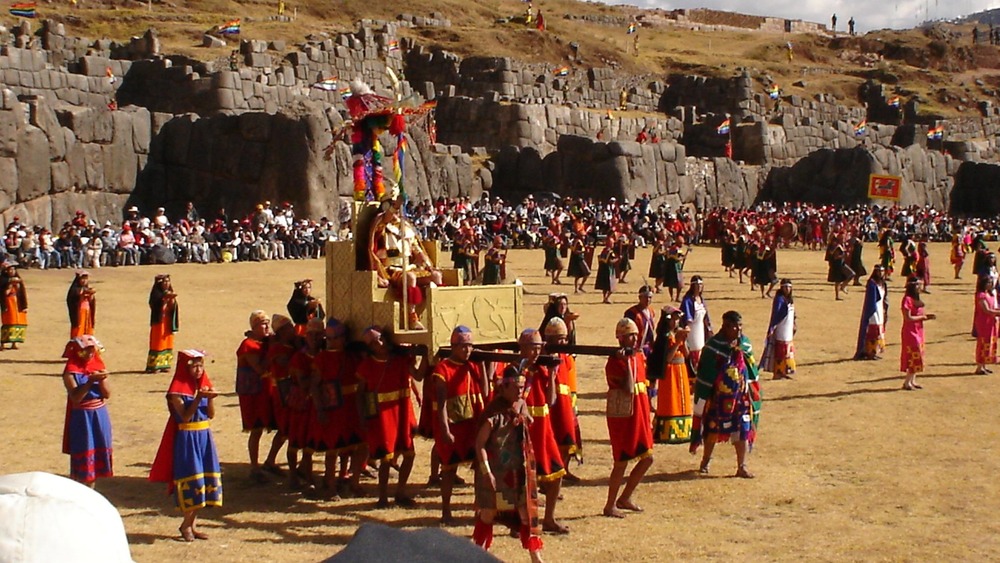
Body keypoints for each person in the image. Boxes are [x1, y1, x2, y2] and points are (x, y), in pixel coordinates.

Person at [472, 365, 544, 563]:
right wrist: (487, 472)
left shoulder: (521, 404)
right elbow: (480, 445)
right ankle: (476, 555)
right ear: (503, 388)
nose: (519, 391)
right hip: (495, 473)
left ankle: (536, 558)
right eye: (515, 387)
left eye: (521, 387)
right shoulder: (493, 413)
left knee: (526, 513)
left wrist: (523, 417)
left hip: (517, 474)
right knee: (488, 513)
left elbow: (527, 421)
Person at [149, 349, 221, 542]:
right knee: (193, 480)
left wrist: (210, 398)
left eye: (201, 366)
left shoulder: (203, 385)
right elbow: (185, 415)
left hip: (204, 435)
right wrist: (198, 398)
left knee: (205, 482)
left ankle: (191, 524)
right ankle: (186, 524)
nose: (198, 370)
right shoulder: (177, 391)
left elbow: (211, 414)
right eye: (194, 366)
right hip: (188, 438)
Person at [356, 326, 426, 508]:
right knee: (386, 458)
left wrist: (427, 354)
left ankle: (400, 493)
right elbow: (360, 393)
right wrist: (363, 417)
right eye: (374, 342)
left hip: (402, 409)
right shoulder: (367, 365)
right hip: (382, 415)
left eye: (380, 339)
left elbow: (418, 376)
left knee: (409, 454)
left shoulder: (401, 359)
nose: (380, 344)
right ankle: (383, 497)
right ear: (370, 347)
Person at [691, 310, 760, 479]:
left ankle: (741, 466)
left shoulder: (745, 344)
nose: (738, 329)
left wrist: (751, 389)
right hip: (718, 398)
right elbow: (705, 373)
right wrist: (708, 393)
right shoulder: (713, 346)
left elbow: (751, 370)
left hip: (740, 397)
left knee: (743, 428)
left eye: (740, 326)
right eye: (734, 326)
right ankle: (706, 461)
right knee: (712, 429)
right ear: (725, 326)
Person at [431, 326, 488, 523]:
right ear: (454, 346)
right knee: (448, 469)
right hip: (453, 426)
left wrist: (481, 365)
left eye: (470, 346)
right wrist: (445, 429)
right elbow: (441, 403)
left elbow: (486, 390)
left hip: (471, 425)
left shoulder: (471, 366)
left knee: (479, 467)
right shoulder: (442, 369)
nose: (468, 350)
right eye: (464, 346)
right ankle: (446, 511)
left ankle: (478, 507)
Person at [369, 188, 443, 330]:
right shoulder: (380, 224)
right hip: (390, 270)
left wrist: (425, 261)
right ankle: (412, 317)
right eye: (393, 205)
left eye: (398, 207)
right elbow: (384, 220)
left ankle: (437, 313)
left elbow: (416, 247)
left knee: (436, 276)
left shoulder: (406, 226)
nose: (397, 210)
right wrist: (394, 206)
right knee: (410, 278)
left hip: (409, 267)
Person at [517, 328, 568, 534]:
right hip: (525, 430)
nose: (536, 353)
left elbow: (551, 400)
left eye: (538, 348)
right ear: (522, 348)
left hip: (544, 429)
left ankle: (549, 518)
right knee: (522, 480)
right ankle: (520, 522)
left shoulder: (543, 369)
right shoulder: (515, 371)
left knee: (556, 474)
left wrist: (553, 375)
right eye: (532, 348)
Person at [603, 318, 654, 518]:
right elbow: (628, 387)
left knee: (648, 458)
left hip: (639, 414)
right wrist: (625, 361)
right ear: (620, 338)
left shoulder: (638, 356)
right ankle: (609, 505)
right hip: (624, 417)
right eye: (629, 336)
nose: (633, 339)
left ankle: (625, 498)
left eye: (634, 335)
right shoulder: (614, 362)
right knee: (621, 461)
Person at [312, 317, 364, 497]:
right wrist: (320, 409)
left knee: (355, 445)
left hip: (351, 406)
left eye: (336, 338)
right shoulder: (322, 358)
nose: (333, 342)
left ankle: (354, 483)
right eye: (330, 339)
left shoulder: (353, 357)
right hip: (333, 407)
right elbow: (315, 385)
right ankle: (330, 485)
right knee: (332, 449)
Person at [235, 311, 284, 483]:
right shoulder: (248, 346)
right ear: (254, 327)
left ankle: (270, 461)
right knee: (256, 430)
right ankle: (254, 467)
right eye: (262, 323)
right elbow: (260, 369)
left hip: (268, 390)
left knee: (283, 427)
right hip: (253, 394)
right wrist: (273, 349)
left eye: (267, 323)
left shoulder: (265, 343)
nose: (266, 326)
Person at [61, 335, 112, 487]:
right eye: (86, 351)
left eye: (92, 350)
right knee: (84, 451)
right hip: (82, 417)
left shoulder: (98, 366)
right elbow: (76, 397)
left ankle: (92, 490)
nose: (90, 354)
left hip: (99, 414)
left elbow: (107, 394)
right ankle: (82, 490)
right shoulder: (70, 372)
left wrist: (102, 380)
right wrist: (89, 382)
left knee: (97, 455)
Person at [286, 318, 324, 494]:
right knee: (295, 439)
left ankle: (307, 476)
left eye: (318, 334)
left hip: (314, 403)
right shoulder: (299, 357)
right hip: (300, 402)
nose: (314, 338)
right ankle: (293, 475)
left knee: (309, 442)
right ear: (306, 336)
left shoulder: (323, 355)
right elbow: (304, 384)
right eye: (311, 334)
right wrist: (317, 379)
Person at [542, 318, 582, 483]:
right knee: (552, 440)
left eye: (564, 339)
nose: (563, 342)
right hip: (551, 403)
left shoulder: (564, 356)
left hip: (565, 402)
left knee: (568, 438)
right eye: (559, 339)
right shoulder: (543, 357)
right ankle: (550, 477)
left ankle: (564, 469)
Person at [648, 306, 692, 444]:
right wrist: (677, 342)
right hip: (670, 372)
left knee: (682, 398)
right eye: (674, 318)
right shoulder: (664, 336)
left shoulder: (678, 333)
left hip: (681, 369)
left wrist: (683, 341)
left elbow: (687, 354)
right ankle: (668, 432)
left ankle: (683, 431)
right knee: (671, 398)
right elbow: (667, 358)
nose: (676, 321)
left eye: (677, 319)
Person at [901, 278, 935, 390]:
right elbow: (908, 317)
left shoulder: (915, 299)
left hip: (918, 330)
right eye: (917, 285)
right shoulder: (907, 300)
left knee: (919, 354)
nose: (919, 288)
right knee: (913, 355)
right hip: (910, 331)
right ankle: (907, 382)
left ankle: (912, 380)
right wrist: (923, 317)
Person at [760, 279, 796, 380]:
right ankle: (777, 372)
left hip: (788, 330)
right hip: (781, 330)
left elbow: (793, 313)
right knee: (780, 351)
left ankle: (784, 370)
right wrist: (772, 327)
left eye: (789, 287)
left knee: (788, 351)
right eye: (785, 287)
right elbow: (776, 315)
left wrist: (794, 323)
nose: (787, 289)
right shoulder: (779, 299)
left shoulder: (789, 299)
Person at [854, 266, 889, 361]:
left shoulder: (883, 284)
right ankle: (868, 352)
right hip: (873, 311)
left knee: (879, 331)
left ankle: (875, 351)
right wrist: (871, 311)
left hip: (880, 309)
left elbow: (884, 298)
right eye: (879, 271)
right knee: (872, 332)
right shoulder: (872, 284)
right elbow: (871, 300)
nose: (881, 273)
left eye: (882, 271)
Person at [146, 274, 179, 373]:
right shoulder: (156, 295)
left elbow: (174, 308)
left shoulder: (170, 292)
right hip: (159, 322)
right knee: (158, 342)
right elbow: (154, 305)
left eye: (168, 281)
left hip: (168, 323)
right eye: (164, 282)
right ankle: (154, 365)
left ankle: (165, 364)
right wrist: (164, 300)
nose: (166, 283)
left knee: (167, 342)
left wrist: (172, 300)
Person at [680, 276, 713, 370]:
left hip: (700, 329)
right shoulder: (687, 300)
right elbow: (685, 317)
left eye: (701, 284)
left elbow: (706, 317)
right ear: (692, 286)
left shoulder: (701, 300)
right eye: (697, 284)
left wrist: (709, 329)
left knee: (701, 347)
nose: (699, 287)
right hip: (692, 330)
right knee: (694, 348)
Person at [973, 276, 1000, 375]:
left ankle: (984, 365)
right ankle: (979, 367)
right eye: (988, 282)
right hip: (984, 322)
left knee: (990, 342)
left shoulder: (990, 294)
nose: (990, 284)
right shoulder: (981, 295)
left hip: (991, 322)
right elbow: (986, 310)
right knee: (983, 343)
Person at [622, 285, 655, 359]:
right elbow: (627, 333)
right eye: (645, 297)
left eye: (650, 297)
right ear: (640, 297)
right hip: (636, 349)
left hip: (648, 349)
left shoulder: (651, 311)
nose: (648, 300)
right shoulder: (631, 313)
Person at [0, 262, 28, 350]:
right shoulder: (2, 280)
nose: (12, 271)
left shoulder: (19, 279)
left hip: (18, 304)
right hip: (8, 304)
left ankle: (14, 343)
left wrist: (25, 306)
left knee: (18, 323)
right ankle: (2, 344)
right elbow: (3, 294)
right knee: (9, 322)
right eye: (10, 269)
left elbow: (23, 293)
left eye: (13, 269)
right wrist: (9, 285)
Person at [67, 270, 96, 338]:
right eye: (83, 279)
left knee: (87, 329)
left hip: (87, 313)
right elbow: (73, 299)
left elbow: (91, 301)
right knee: (79, 330)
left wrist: (91, 297)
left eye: (86, 279)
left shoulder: (87, 288)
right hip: (79, 313)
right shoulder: (74, 290)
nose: (84, 281)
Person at [594, 236, 618, 304]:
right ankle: (607, 298)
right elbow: (611, 261)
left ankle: (604, 298)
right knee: (612, 286)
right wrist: (617, 259)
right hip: (609, 270)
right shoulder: (610, 252)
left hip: (603, 269)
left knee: (605, 286)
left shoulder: (603, 250)